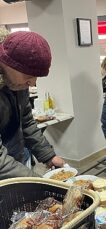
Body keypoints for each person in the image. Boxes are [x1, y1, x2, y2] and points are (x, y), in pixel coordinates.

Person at [0, 31, 65, 179]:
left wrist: (48, 156)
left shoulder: (17, 84)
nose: (33, 83)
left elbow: (27, 122)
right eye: (28, 76)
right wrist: (35, 181)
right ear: (6, 63)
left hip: (15, 162)